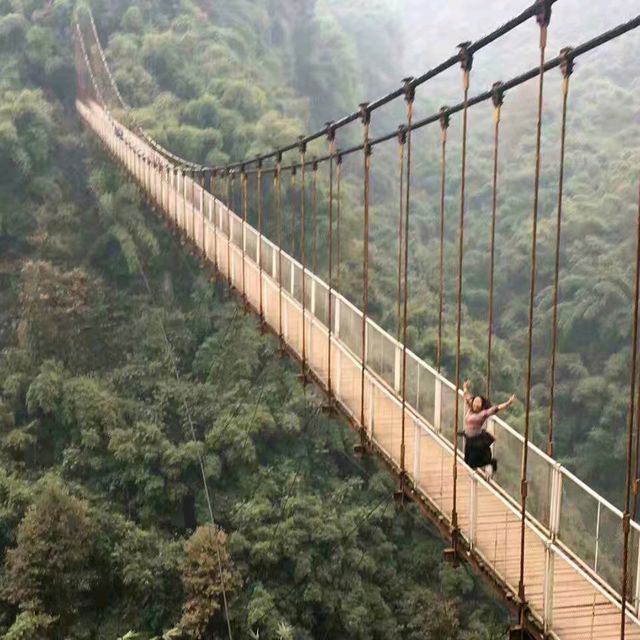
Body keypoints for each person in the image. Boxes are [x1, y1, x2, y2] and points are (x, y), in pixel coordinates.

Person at [462, 380, 515, 474]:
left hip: (477, 439)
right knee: (467, 461)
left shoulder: (483, 413)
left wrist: (508, 403)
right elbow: (466, 396)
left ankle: (490, 462)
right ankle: (487, 462)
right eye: (475, 401)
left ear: (482, 405)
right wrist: (465, 387)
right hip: (469, 438)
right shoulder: (470, 408)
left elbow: (496, 408)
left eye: (479, 402)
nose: (476, 403)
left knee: (475, 461)